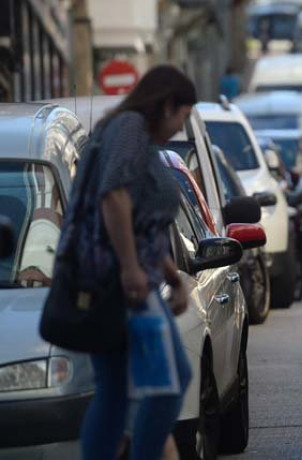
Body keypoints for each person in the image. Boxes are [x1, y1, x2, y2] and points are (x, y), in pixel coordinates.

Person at [77, 65, 195, 460]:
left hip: (134, 280)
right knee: (171, 381)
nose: (181, 128)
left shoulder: (140, 139)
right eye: (183, 116)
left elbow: (143, 221)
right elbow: (114, 196)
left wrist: (172, 275)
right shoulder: (128, 127)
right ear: (165, 105)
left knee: (115, 390)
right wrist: (129, 267)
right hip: (119, 283)